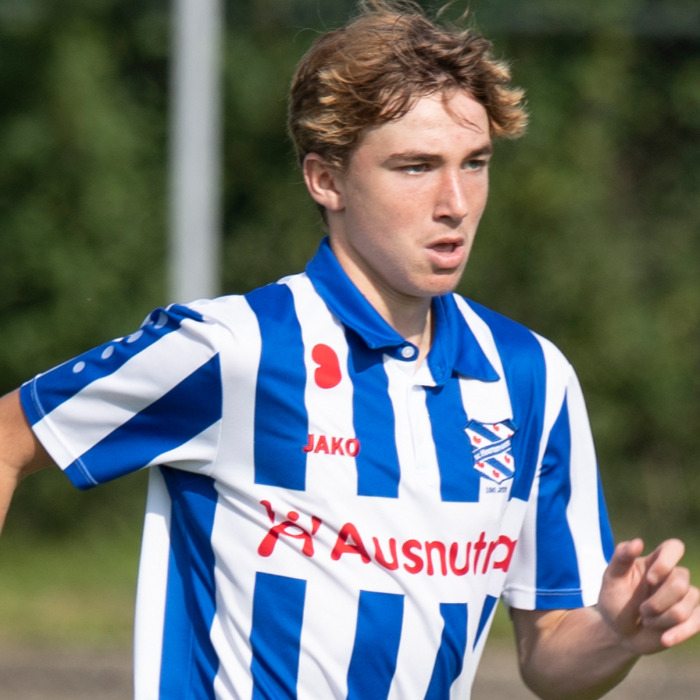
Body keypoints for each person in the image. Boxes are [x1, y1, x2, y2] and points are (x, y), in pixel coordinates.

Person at [1, 1, 699, 698]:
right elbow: (8, 439)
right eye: (416, 167)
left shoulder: (531, 375)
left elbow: (548, 651)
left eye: (475, 163)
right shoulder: (236, 349)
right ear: (326, 180)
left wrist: (617, 634)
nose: (455, 202)